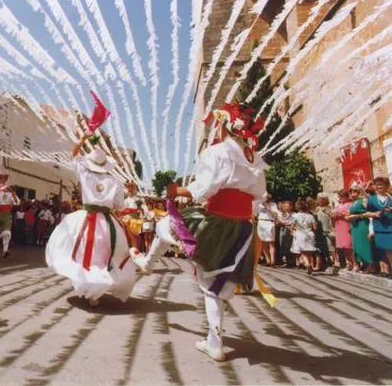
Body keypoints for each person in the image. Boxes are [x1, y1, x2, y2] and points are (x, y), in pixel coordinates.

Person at [131, 101, 267, 361]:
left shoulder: (217, 152)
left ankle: (148, 263)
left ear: (224, 127)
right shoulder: (255, 158)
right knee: (214, 286)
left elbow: (202, 189)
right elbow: (259, 195)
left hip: (217, 224)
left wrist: (176, 190)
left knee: (164, 225)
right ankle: (214, 342)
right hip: (241, 228)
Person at [46, 133, 137, 307]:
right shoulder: (114, 181)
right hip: (108, 224)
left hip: (86, 220)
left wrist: (82, 139)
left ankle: (90, 287)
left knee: (80, 253)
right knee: (105, 258)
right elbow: (118, 206)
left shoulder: (84, 174)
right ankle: (96, 292)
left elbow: (73, 156)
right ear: (106, 165)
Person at [0, 174, 20, 259]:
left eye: (4, 179)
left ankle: (5, 251)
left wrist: (12, 192)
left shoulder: (9, 191)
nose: (2, 181)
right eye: (1, 179)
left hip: (7, 214)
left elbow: (17, 202)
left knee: (7, 233)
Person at [367, 177, 391, 276]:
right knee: (385, 249)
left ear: (387, 186)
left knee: (390, 249)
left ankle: (388, 270)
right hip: (380, 227)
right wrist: (374, 214)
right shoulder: (372, 199)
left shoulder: (390, 197)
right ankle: (386, 270)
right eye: (377, 184)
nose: (379, 186)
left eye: (381, 184)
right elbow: (367, 213)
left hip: (390, 225)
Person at [348, 187, 376, 273]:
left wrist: (357, 216)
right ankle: (363, 264)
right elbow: (350, 214)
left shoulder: (363, 201)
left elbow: (369, 212)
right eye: (351, 191)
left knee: (365, 244)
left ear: (359, 192)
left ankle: (371, 266)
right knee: (357, 245)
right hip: (355, 226)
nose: (353, 193)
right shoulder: (353, 203)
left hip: (363, 224)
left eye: (355, 191)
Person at [290, 200, 317, 275]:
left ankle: (307, 264)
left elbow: (292, 226)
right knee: (309, 251)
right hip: (310, 233)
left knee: (302, 251)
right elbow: (315, 227)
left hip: (300, 234)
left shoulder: (295, 216)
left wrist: (292, 232)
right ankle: (310, 264)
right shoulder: (311, 216)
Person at [333, 189, 355, 271]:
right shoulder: (338, 206)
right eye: (339, 196)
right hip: (339, 226)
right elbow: (333, 214)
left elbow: (348, 213)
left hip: (346, 225)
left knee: (349, 245)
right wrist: (336, 214)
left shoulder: (350, 204)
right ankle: (348, 262)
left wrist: (339, 214)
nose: (340, 198)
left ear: (346, 197)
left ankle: (354, 262)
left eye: (342, 196)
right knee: (343, 246)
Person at [255, 194, 278, 267]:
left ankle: (273, 261)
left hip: (269, 222)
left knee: (271, 242)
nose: (266, 199)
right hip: (261, 222)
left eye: (267, 198)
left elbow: (276, 215)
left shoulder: (273, 205)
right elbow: (256, 214)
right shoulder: (258, 204)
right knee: (263, 242)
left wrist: (268, 208)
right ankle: (268, 260)